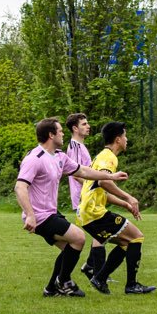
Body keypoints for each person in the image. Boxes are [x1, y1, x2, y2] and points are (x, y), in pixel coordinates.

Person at [15, 117, 130, 297]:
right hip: (39, 216)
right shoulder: (34, 158)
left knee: (68, 248)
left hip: (51, 213)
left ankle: (51, 288)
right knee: (78, 238)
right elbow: (20, 187)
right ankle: (64, 282)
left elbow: (82, 171)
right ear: (51, 135)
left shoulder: (59, 156)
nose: (63, 134)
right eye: (60, 131)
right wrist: (30, 215)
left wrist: (110, 177)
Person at [78, 122, 155, 295]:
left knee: (126, 243)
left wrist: (125, 204)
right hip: (94, 212)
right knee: (136, 237)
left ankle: (100, 278)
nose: (127, 139)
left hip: (87, 213)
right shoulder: (109, 157)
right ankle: (131, 285)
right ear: (118, 139)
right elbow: (104, 182)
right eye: (125, 136)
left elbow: (100, 189)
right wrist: (128, 197)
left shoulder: (101, 156)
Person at [64, 113, 109, 281]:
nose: (88, 126)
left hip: (89, 195)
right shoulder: (75, 146)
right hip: (84, 197)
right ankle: (98, 273)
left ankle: (92, 267)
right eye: (84, 124)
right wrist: (94, 186)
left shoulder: (80, 146)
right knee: (102, 232)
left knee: (102, 233)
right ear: (75, 128)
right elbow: (76, 173)